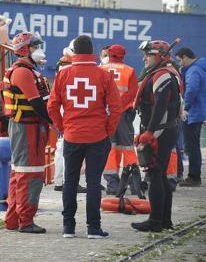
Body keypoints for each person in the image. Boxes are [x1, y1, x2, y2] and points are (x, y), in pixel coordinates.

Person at [48, 35, 122, 239]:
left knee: (70, 182)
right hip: (97, 136)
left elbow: (52, 106)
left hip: (72, 135)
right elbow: (116, 108)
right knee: (93, 183)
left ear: (74, 52)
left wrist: (63, 127)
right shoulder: (103, 75)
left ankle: (68, 228)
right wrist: (107, 130)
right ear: (91, 51)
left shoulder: (63, 74)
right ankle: (93, 228)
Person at [131, 40, 184, 232]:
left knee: (155, 174)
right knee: (160, 174)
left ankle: (155, 221)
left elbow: (160, 106)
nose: (145, 58)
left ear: (160, 56)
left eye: (149, 54)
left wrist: (150, 132)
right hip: (165, 129)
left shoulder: (162, 75)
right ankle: (165, 220)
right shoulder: (167, 73)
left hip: (160, 130)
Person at [2, 32, 52, 234]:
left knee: (20, 173)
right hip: (26, 128)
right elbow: (37, 104)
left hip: (28, 127)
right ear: (25, 49)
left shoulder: (29, 71)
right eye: (35, 46)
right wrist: (56, 122)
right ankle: (26, 220)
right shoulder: (23, 72)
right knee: (29, 174)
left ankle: (14, 219)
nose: (39, 49)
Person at [99, 44, 140, 195]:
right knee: (128, 147)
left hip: (105, 114)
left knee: (110, 148)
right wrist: (119, 107)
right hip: (123, 114)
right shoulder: (129, 71)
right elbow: (133, 93)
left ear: (109, 54)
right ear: (123, 55)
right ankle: (134, 185)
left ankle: (112, 184)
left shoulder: (101, 69)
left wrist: (108, 108)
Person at [52, 44, 86, 193]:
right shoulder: (68, 66)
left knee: (61, 147)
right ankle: (63, 181)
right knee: (64, 147)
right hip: (68, 108)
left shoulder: (63, 64)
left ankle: (59, 180)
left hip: (65, 107)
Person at [175, 47, 206, 187]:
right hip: (198, 112)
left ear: (185, 57)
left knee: (191, 146)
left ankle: (194, 177)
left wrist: (184, 108)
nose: (180, 64)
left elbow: (192, 89)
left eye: (180, 60)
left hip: (192, 114)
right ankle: (194, 176)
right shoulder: (199, 67)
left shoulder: (193, 71)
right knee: (193, 145)